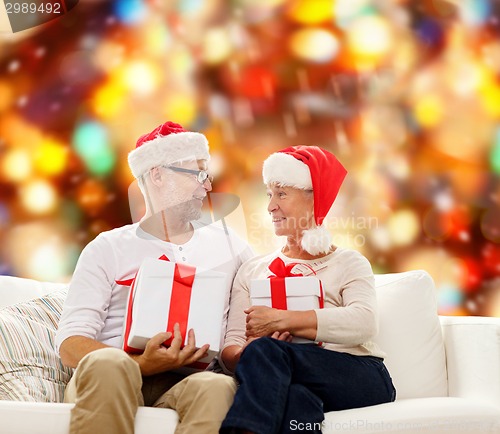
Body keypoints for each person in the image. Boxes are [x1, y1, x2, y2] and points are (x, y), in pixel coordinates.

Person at [55, 121, 254, 434]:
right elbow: (70, 345)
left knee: (216, 387)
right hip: (112, 376)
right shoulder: (108, 248)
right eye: (198, 174)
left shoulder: (234, 249)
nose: (208, 187)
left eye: (208, 175)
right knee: (110, 365)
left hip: (184, 384)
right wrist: (140, 364)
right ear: (158, 175)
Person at [219, 146, 396, 434]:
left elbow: (364, 322)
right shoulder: (252, 270)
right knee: (296, 398)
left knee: (268, 352)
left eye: (282, 194)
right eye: (269, 194)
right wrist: (246, 354)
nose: (270, 206)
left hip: (359, 375)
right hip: (286, 375)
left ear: (315, 199)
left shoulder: (348, 262)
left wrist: (282, 321)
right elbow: (231, 347)